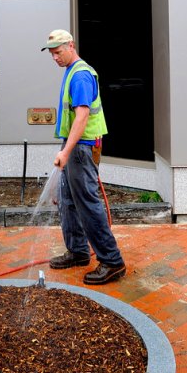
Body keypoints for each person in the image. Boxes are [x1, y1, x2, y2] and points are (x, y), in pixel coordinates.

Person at [41, 29, 126, 285]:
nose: (55, 58)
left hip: (80, 148)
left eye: (58, 52)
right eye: (52, 54)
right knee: (68, 200)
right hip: (74, 146)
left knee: (88, 203)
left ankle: (112, 261)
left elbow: (82, 116)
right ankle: (78, 251)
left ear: (71, 46)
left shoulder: (80, 76)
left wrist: (66, 152)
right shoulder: (71, 71)